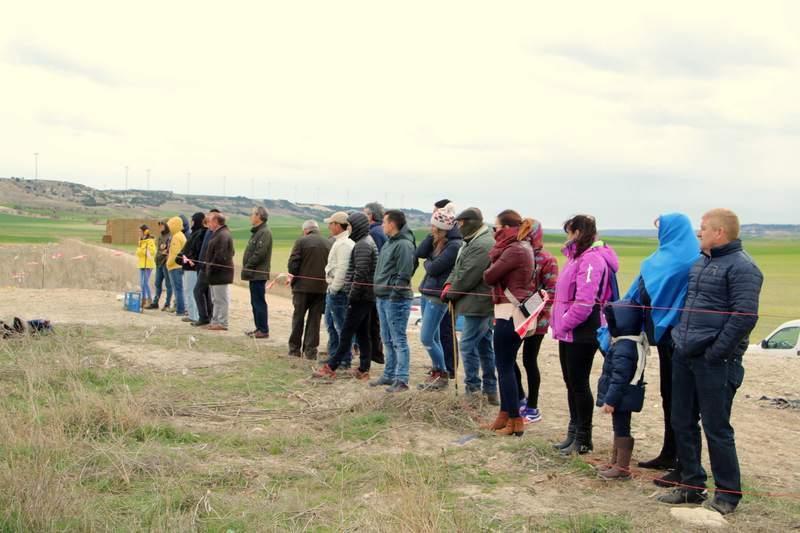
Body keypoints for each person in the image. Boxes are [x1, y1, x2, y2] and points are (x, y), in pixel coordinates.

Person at [657, 209, 763, 515]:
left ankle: (728, 495)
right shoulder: (700, 263)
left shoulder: (744, 268)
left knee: (716, 427)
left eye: (702, 229)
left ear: (720, 233)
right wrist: (680, 340)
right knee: (682, 421)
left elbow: (744, 317)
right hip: (685, 354)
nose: (698, 233)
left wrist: (716, 353)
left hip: (716, 361)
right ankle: (692, 485)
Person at [625, 214, 698, 486]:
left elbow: (659, 287)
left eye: (661, 229)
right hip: (664, 335)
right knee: (668, 395)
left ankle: (683, 461)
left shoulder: (686, 259)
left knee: (682, 401)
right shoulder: (664, 255)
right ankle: (669, 452)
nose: (658, 234)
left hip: (680, 338)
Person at [551, 215, 619, 454]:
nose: (567, 238)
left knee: (579, 384)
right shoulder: (575, 258)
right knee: (570, 383)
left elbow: (584, 302)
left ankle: (583, 437)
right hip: (567, 330)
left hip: (582, 330)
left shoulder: (591, 260)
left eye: (569, 233)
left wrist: (565, 323)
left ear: (578, 233)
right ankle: (573, 432)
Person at [482, 210, 535, 437]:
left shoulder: (513, 249)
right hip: (513, 311)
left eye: (496, 227)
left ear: (504, 227)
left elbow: (489, 276)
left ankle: (515, 420)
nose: (494, 232)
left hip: (509, 312)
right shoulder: (523, 246)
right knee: (507, 364)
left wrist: (494, 255)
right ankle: (505, 415)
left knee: (504, 368)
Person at [442, 207, 498, 404]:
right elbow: (458, 269)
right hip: (474, 302)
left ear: (469, 222)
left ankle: (473, 389)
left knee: (466, 345)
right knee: (484, 346)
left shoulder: (483, 243)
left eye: (461, 223)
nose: (458, 227)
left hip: (479, 303)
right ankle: (490, 390)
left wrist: (451, 293)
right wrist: (448, 284)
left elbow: (469, 274)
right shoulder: (472, 241)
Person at [313, 212, 378, 380]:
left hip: (360, 297)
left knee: (346, 332)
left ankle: (332, 366)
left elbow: (360, 274)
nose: (348, 228)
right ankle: (364, 369)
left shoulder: (363, 245)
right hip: (365, 296)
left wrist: (352, 296)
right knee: (363, 334)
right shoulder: (364, 242)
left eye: (350, 225)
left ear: (357, 226)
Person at [512, 219, 558, 423]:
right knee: (507, 358)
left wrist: (530, 308)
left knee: (529, 360)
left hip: (537, 319)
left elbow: (552, 291)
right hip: (514, 316)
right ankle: (520, 397)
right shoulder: (516, 254)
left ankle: (532, 406)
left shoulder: (547, 259)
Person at [595, 302, 647, 480]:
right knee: (619, 427)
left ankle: (622, 468)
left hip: (622, 398)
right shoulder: (628, 343)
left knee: (622, 428)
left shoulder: (624, 348)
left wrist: (610, 400)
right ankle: (615, 462)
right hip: (623, 396)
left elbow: (619, 378)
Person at [415, 203, 462, 391]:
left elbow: (434, 268)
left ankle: (442, 372)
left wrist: (429, 262)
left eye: (434, 226)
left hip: (437, 297)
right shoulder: (438, 241)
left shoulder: (454, 245)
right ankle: (437, 370)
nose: (431, 228)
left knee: (426, 338)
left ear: (443, 228)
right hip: (427, 292)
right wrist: (431, 237)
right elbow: (420, 253)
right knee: (433, 336)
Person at [371, 209, 416, 393]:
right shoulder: (389, 243)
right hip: (382, 297)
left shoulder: (404, 244)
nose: (382, 225)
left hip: (395, 299)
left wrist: (393, 293)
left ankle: (402, 379)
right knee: (387, 339)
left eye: (384, 222)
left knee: (398, 340)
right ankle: (389, 375)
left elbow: (405, 272)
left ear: (392, 224)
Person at [287, 220, 332, 358]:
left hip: (302, 288)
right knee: (314, 320)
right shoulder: (329, 243)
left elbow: (293, 265)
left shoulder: (301, 241)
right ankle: (311, 351)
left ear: (306, 230)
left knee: (298, 318)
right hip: (321, 288)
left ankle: (294, 349)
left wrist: (294, 278)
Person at [322, 211, 355, 367]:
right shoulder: (341, 242)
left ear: (337, 225)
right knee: (331, 324)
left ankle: (344, 358)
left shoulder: (344, 244)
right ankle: (335, 355)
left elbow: (342, 269)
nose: (329, 226)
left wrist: (334, 289)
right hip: (334, 289)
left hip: (338, 291)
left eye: (331, 223)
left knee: (340, 326)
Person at [242, 206, 273, 339]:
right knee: (255, 302)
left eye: (252, 214)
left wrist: (248, 266)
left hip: (258, 273)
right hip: (253, 273)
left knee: (259, 302)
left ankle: (263, 329)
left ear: (259, 216)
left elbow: (259, 253)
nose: (251, 217)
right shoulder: (257, 232)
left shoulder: (264, 232)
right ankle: (258, 328)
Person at [364, 202, 387, 364]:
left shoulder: (374, 233)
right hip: (379, 283)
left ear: (371, 216)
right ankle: (375, 353)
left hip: (373, 283)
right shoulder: (380, 231)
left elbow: (374, 261)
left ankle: (375, 354)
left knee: (372, 321)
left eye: (364, 213)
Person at [204, 212, 235, 331]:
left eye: (210, 221)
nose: (208, 224)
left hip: (220, 273)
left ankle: (222, 323)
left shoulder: (223, 235)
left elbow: (221, 256)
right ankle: (215, 321)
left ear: (216, 222)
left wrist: (211, 267)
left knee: (221, 299)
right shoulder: (218, 233)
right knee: (215, 299)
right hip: (215, 274)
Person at [190, 209, 219, 327]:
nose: (207, 217)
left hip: (207, 268)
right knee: (204, 293)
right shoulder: (208, 231)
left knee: (198, 291)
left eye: (210, 216)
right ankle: (206, 316)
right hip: (202, 266)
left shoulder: (216, 232)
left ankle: (205, 317)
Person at [177, 212, 207, 323]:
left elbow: (195, 251)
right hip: (187, 267)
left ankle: (195, 315)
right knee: (187, 291)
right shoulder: (194, 233)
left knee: (191, 291)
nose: (191, 222)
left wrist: (187, 257)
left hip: (192, 267)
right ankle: (191, 314)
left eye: (193, 220)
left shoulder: (199, 234)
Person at [146, 220, 173, 310]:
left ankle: (167, 303)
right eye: (160, 226)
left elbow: (168, 251)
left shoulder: (170, 236)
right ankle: (155, 302)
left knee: (168, 285)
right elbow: (159, 250)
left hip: (166, 263)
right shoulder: (160, 237)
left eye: (162, 226)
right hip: (158, 263)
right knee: (157, 283)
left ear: (166, 226)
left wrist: (164, 254)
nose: (160, 227)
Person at [166, 216, 188, 316]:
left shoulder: (176, 237)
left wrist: (168, 263)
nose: (169, 228)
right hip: (179, 266)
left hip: (175, 266)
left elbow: (174, 254)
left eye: (170, 225)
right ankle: (181, 308)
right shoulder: (181, 235)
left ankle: (180, 310)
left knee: (177, 289)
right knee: (180, 288)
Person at [136, 224, 156, 307]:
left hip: (148, 264)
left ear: (145, 231)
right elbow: (138, 252)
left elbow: (152, 252)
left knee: (145, 283)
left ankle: (149, 299)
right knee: (141, 283)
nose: (139, 233)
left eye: (140, 231)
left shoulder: (150, 241)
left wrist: (142, 251)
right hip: (141, 264)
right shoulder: (140, 241)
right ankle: (143, 299)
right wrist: (142, 251)